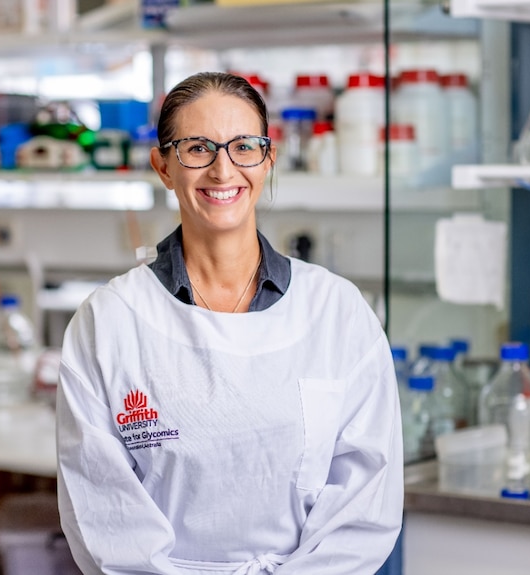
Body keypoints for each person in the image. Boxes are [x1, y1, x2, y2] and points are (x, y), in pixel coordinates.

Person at [56, 71, 403, 575]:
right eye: (197, 148)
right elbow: (102, 511)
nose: (223, 170)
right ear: (163, 166)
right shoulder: (109, 321)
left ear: (268, 159)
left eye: (244, 146)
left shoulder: (337, 312)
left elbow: (366, 497)